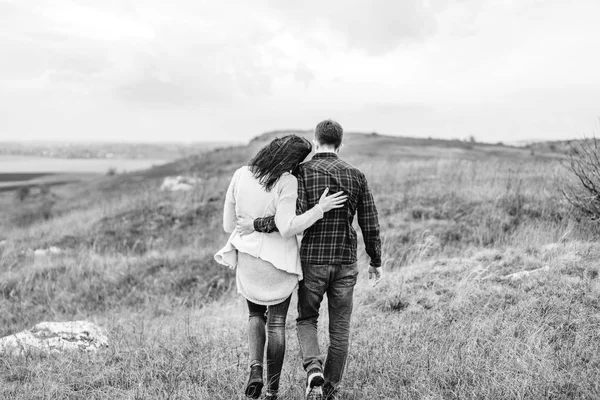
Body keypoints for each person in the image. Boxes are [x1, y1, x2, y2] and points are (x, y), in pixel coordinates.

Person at [237, 120, 383, 399]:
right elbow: (370, 224)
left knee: (306, 320)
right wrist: (375, 261)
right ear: (340, 145)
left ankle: (313, 368)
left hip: (313, 260)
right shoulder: (356, 175)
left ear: (316, 142)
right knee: (340, 329)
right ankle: (328, 390)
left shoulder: (300, 173)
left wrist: (256, 224)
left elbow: (287, 221)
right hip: (345, 261)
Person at [214, 135, 348, 400]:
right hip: (279, 264)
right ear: (292, 160)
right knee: (276, 324)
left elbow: (229, 226)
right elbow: (287, 227)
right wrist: (319, 209)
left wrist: (251, 222)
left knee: (255, 316)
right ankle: (272, 391)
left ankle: (255, 371)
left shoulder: (241, 175)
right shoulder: (287, 181)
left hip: (249, 261)